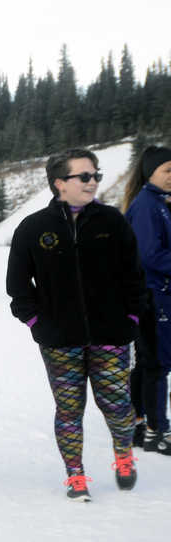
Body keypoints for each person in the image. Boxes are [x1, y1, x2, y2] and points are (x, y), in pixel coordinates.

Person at [6, 148, 147, 501]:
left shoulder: (112, 221)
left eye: (95, 175)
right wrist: (38, 322)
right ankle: (75, 474)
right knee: (69, 409)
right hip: (59, 340)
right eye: (83, 176)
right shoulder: (34, 228)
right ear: (59, 183)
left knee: (117, 404)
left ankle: (123, 455)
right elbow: (18, 286)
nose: (92, 182)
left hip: (111, 335)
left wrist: (130, 318)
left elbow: (134, 276)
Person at [123, 145, 171, 455]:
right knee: (157, 363)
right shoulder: (146, 206)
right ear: (150, 171)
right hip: (152, 296)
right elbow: (149, 254)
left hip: (157, 294)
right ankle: (157, 429)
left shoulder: (160, 203)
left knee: (148, 361)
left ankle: (138, 422)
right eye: (168, 170)